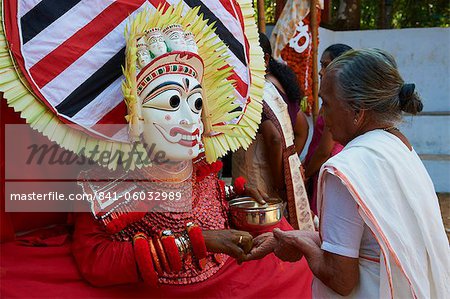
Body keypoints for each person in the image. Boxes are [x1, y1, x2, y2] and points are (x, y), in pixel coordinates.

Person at [0, 2, 315, 298]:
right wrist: (195, 244)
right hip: (161, 284)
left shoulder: (198, 159)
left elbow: (198, 197)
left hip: (219, 270)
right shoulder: (111, 171)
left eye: (196, 104)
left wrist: (235, 194)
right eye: (173, 102)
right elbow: (96, 260)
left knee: (294, 268)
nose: (190, 120)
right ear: (136, 114)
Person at [247, 48, 450, 298]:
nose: (322, 113)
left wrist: (302, 245)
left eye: (327, 103)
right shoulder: (398, 145)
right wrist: (293, 238)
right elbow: (368, 242)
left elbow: (341, 278)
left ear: (357, 111)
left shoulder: (344, 170)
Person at [232, 32, 313, 230]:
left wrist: (279, 181)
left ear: (265, 59)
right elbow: (303, 129)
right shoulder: (278, 86)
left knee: (263, 239)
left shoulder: (258, 93)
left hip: (259, 183)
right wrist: (290, 163)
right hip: (273, 179)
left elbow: (275, 139)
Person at [303, 43, 352, 215]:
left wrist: (305, 174)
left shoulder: (336, 99)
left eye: (325, 65)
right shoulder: (340, 96)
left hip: (326, 166)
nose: (320, 71)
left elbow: (325, 149)